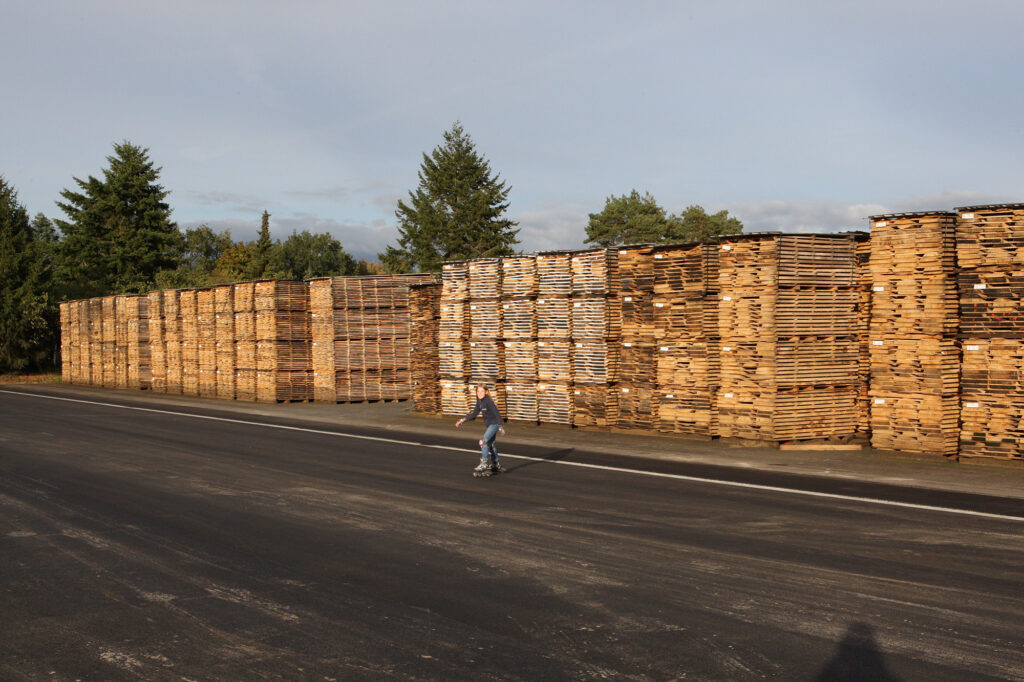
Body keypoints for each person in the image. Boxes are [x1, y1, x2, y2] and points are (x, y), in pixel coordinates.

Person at [455, 385, 506, 477]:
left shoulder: (488, 401)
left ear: (486, 392)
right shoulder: (479, 402)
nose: (479, 393)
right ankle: (496, 463)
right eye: (478, 391)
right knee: (491, 444)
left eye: (482, 391)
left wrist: (500, 426)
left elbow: (497, 413)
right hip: (490, 426)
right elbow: (474, 414)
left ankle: (484, 462)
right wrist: (462, 420)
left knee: (483, 441)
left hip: (494, 425)